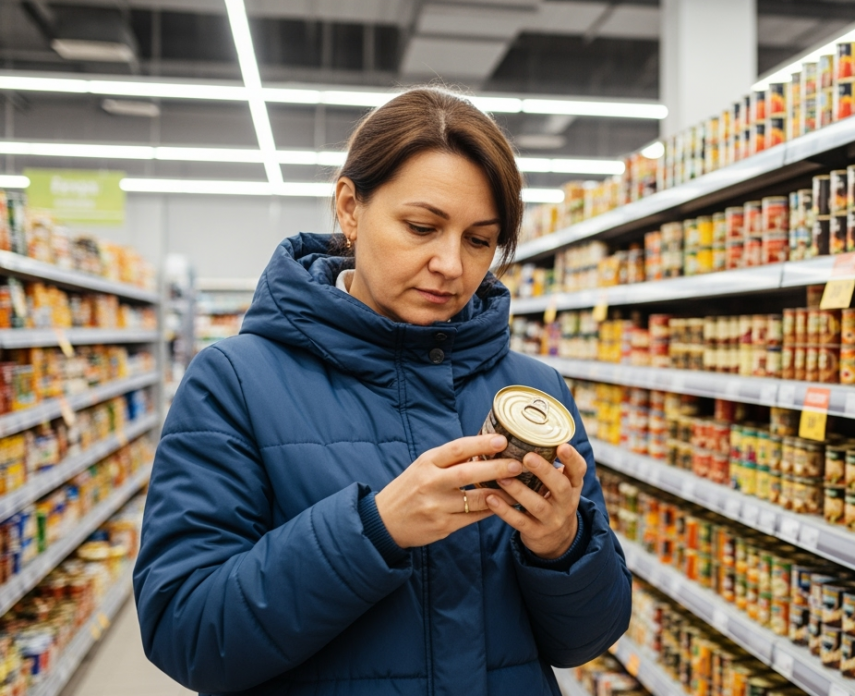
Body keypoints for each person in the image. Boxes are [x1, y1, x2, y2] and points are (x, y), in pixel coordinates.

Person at [133, 87, 631, 696]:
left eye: (479, 240)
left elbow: (585, 640)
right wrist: (371, 530)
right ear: (350, 207)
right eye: (422, 227)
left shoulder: (534, 392)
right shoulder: (234, 382)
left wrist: (564, 547)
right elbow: (186, 633)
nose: (451, 263)